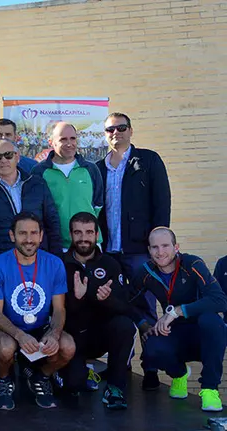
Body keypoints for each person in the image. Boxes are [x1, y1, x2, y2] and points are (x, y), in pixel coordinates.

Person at [96, 112, 171, 390]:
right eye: (110, 129)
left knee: (146, 308)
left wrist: (158, 247)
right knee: (115, 308)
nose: (116, 132)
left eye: (121, 127)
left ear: (131, 130)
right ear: (105, 134)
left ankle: (151, 367)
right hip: (109, 252)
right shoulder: (98, 168)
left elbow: (161, 204)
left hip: (140, 250)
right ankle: (120, 364)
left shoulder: (148, 161)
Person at [0, 212, 75, 410]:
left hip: (41, 326)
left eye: (34, 233)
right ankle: (3, 380)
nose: (28, 239)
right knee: (6, 347)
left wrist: (54, 333)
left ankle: (40, 377)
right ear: (12, 236)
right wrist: (20, 335)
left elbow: (59, 309)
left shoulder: (54, 263)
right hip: (8, 328)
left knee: (68, 347)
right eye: (22, 233)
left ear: (41, 236)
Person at [132, 227, 227, 412]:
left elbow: (220, 300)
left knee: (212, 322)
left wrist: (178, 311)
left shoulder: (192, 264)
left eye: (166, 245)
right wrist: (143, 325)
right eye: (155, 247)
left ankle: (210, 389)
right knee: (151, 346)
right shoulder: (146, 272)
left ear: (176, 247)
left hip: (203, 334)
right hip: (175, 333)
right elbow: (127, 301)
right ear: (149, 250)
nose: (160, 252)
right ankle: (180, 374)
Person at [61, 212, 137, 410]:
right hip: (73, 337)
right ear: (70, 234)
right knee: (73, 385)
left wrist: (106, 299)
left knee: (125, 326)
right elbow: (55, 310)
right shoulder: (60, 264)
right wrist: (77, 299)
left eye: (88, 232)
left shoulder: (110, 264)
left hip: (102, 334)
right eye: (78, 232)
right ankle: (81, 373)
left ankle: (115, 387)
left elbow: (125, 307)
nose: (83, 238)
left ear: (97, 234)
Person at [0, 140, 61, 261]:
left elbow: (52, 222)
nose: (4, 160)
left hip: (37, 258)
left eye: (8, 155)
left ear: (17, 157)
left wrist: (56, 257)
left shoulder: (38, 184)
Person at [31, 122, 104, 251]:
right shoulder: (39, 171)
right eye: (63, 139)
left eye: (73, 138)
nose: (69, 143)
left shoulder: (91, 169)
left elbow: (98, 205)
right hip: (57, 246)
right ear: (51, 142)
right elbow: (37, 209)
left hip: (89, 245)